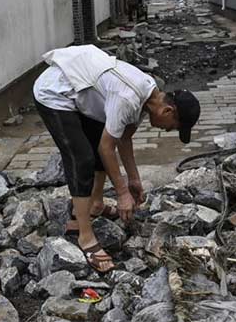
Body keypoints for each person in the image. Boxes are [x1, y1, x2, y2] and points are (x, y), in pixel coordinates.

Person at [33, 45, 200, 272]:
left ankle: (96, 204)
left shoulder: (148, 95)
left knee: (104, 142)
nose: (167, 131)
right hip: (55, 92)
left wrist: (133, 180)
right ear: (167, 111)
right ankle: (84, 235)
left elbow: (123, 138)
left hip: (84, 92)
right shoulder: (129, 97)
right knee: (82, 159)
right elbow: (107, 148)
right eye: (172, 128)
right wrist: (121, 193)